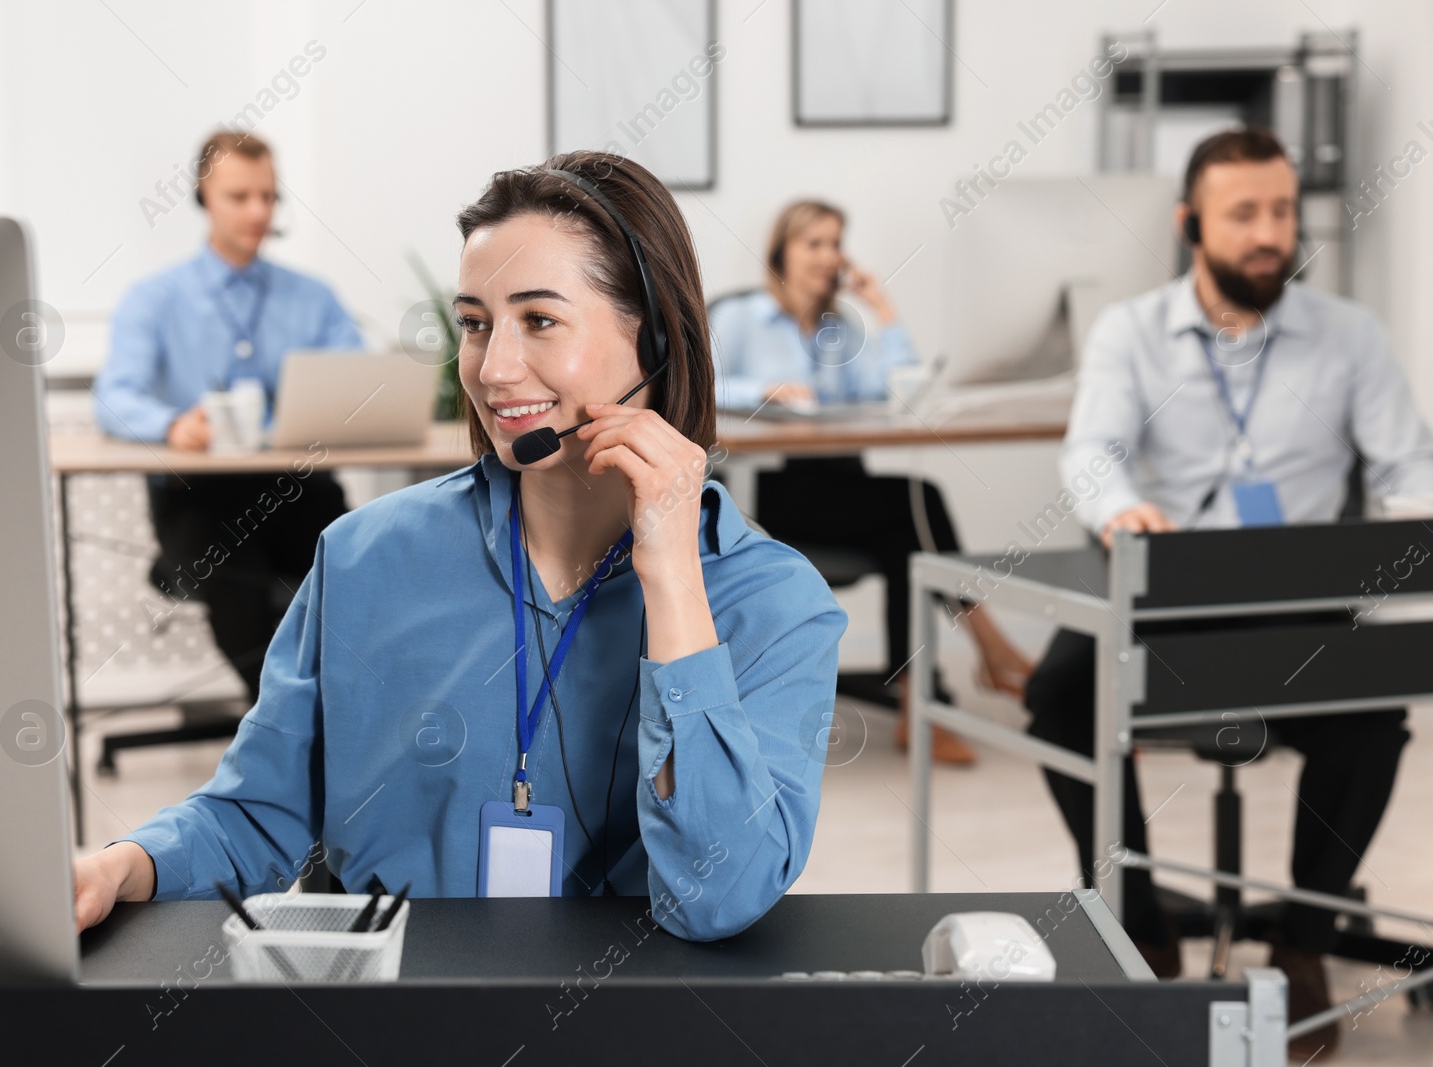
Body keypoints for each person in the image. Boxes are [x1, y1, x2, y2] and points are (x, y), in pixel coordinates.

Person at [72, 151, 847, 943]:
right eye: (475, 324)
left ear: (653, 340)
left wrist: (675, 579)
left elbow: (720, 897)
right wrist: (120, 866)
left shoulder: (774, 603)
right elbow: (256, 814)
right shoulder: (364, 557)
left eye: (540, 320)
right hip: (399, 1020)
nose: (495, 369)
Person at [1025, 127, 1432, 1060]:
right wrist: (1122, 509)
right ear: (1190, 225)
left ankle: (1304, 939)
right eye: (1243, 213)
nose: (1267, 233)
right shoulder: (1131, 330)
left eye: (1282, 211)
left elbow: (1409, 462)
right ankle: (1141, 925)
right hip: (1171, 590)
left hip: (1301, 598)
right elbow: (1093, 453)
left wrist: (1408, 521)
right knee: (1058, 693)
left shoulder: (1350, 336)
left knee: (1374, 709)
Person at [709, 199, 1031, 764]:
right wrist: (761, 390)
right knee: (916, 504)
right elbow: (697, 387)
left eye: (836, 243)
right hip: (772, 493)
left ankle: (917, 703)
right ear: (781, 251)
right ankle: (988, 653)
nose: (828, 256)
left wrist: (881, 306)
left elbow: (901, 393)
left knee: (905, 533)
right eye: (814, 243)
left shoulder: (842, 328)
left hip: (844, 487)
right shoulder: (742, 319)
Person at [93, 130, 362, 703]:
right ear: (202, 198)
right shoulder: (155, 298)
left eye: (268, 196)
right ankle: (287, 734)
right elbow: (114, 395)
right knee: (240, 588)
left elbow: (360, 382)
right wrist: (169, 426)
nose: (258, 211)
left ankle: (344, 721)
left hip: (294, 487)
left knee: (359, 569)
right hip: (198, 495)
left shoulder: (314, 299)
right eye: (239, 196)